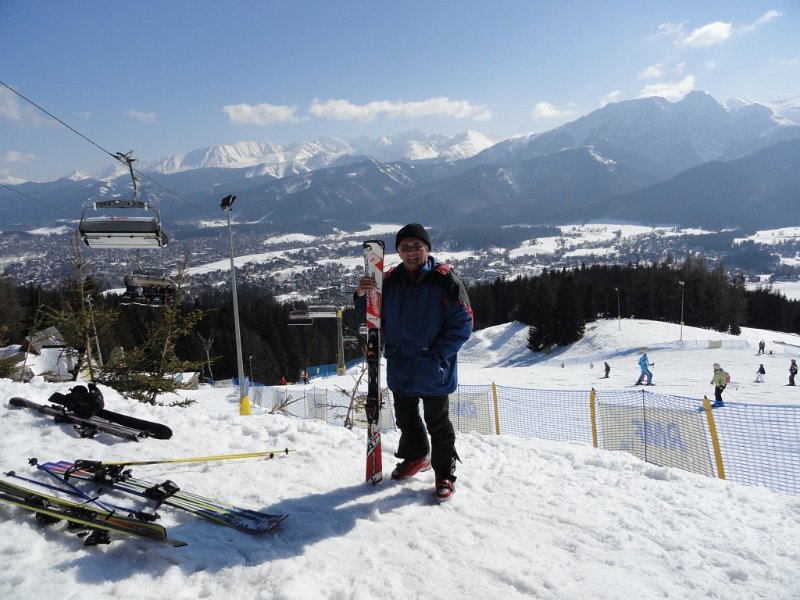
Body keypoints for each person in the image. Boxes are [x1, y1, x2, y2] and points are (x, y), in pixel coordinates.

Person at [354, 223, 473, 502]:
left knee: (437, 422)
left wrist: (437, 355)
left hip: (433, 368)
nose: (411, 252)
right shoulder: (390, 280)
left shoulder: (445, 280)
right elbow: (373, 316)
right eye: (405, 247)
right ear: (398, 252)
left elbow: (463, 324)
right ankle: (418, 456)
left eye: (417, 246)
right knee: (406, 418)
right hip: (402, 364)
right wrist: (360, 295)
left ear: (427, 249)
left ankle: (444, 472)